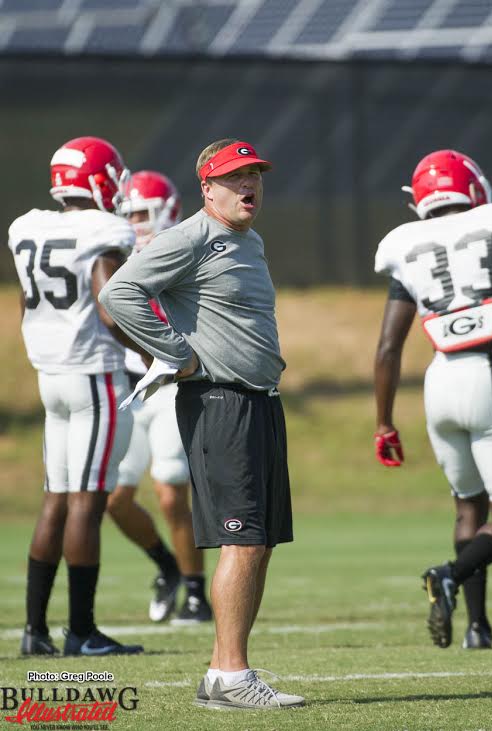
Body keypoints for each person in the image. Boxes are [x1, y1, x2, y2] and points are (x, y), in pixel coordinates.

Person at [99, 139, 304, 709]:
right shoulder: (191, 236)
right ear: (207, 187)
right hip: (219, 404)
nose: (250, 186)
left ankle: (223, 674)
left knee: (258, 543)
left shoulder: (249, 239)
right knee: (241, 542)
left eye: (256, 176)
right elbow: (120, 292)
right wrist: (177, 355)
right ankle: (232, 676)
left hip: (259, 402)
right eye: (236, 177)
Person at [9, 136, 146, 656]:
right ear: (99, 179)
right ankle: (82, 633)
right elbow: (110, 308)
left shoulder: (28, 225)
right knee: (87, 503)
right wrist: (155, 354)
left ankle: (35, 632)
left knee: (56, 499)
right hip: (93, 375)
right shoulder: (105, 229)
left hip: (51, 375)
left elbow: (27, 302)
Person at [374, 148, 492, 651]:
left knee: (466, 507)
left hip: (440, 382)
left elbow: (388, 347)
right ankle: (450, 574)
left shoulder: (406, 245)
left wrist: (384, 422)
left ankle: (478, 627)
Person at [106, 170, 212, 625]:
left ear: (168, 209)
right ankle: (167, 567)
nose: (136, 222)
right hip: (132, 389)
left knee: (171, 493)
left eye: (143, 212)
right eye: (128, 213)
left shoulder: (182, 249)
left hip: (171, 387)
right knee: (113, 500)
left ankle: (194, 591)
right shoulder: (111, 255)